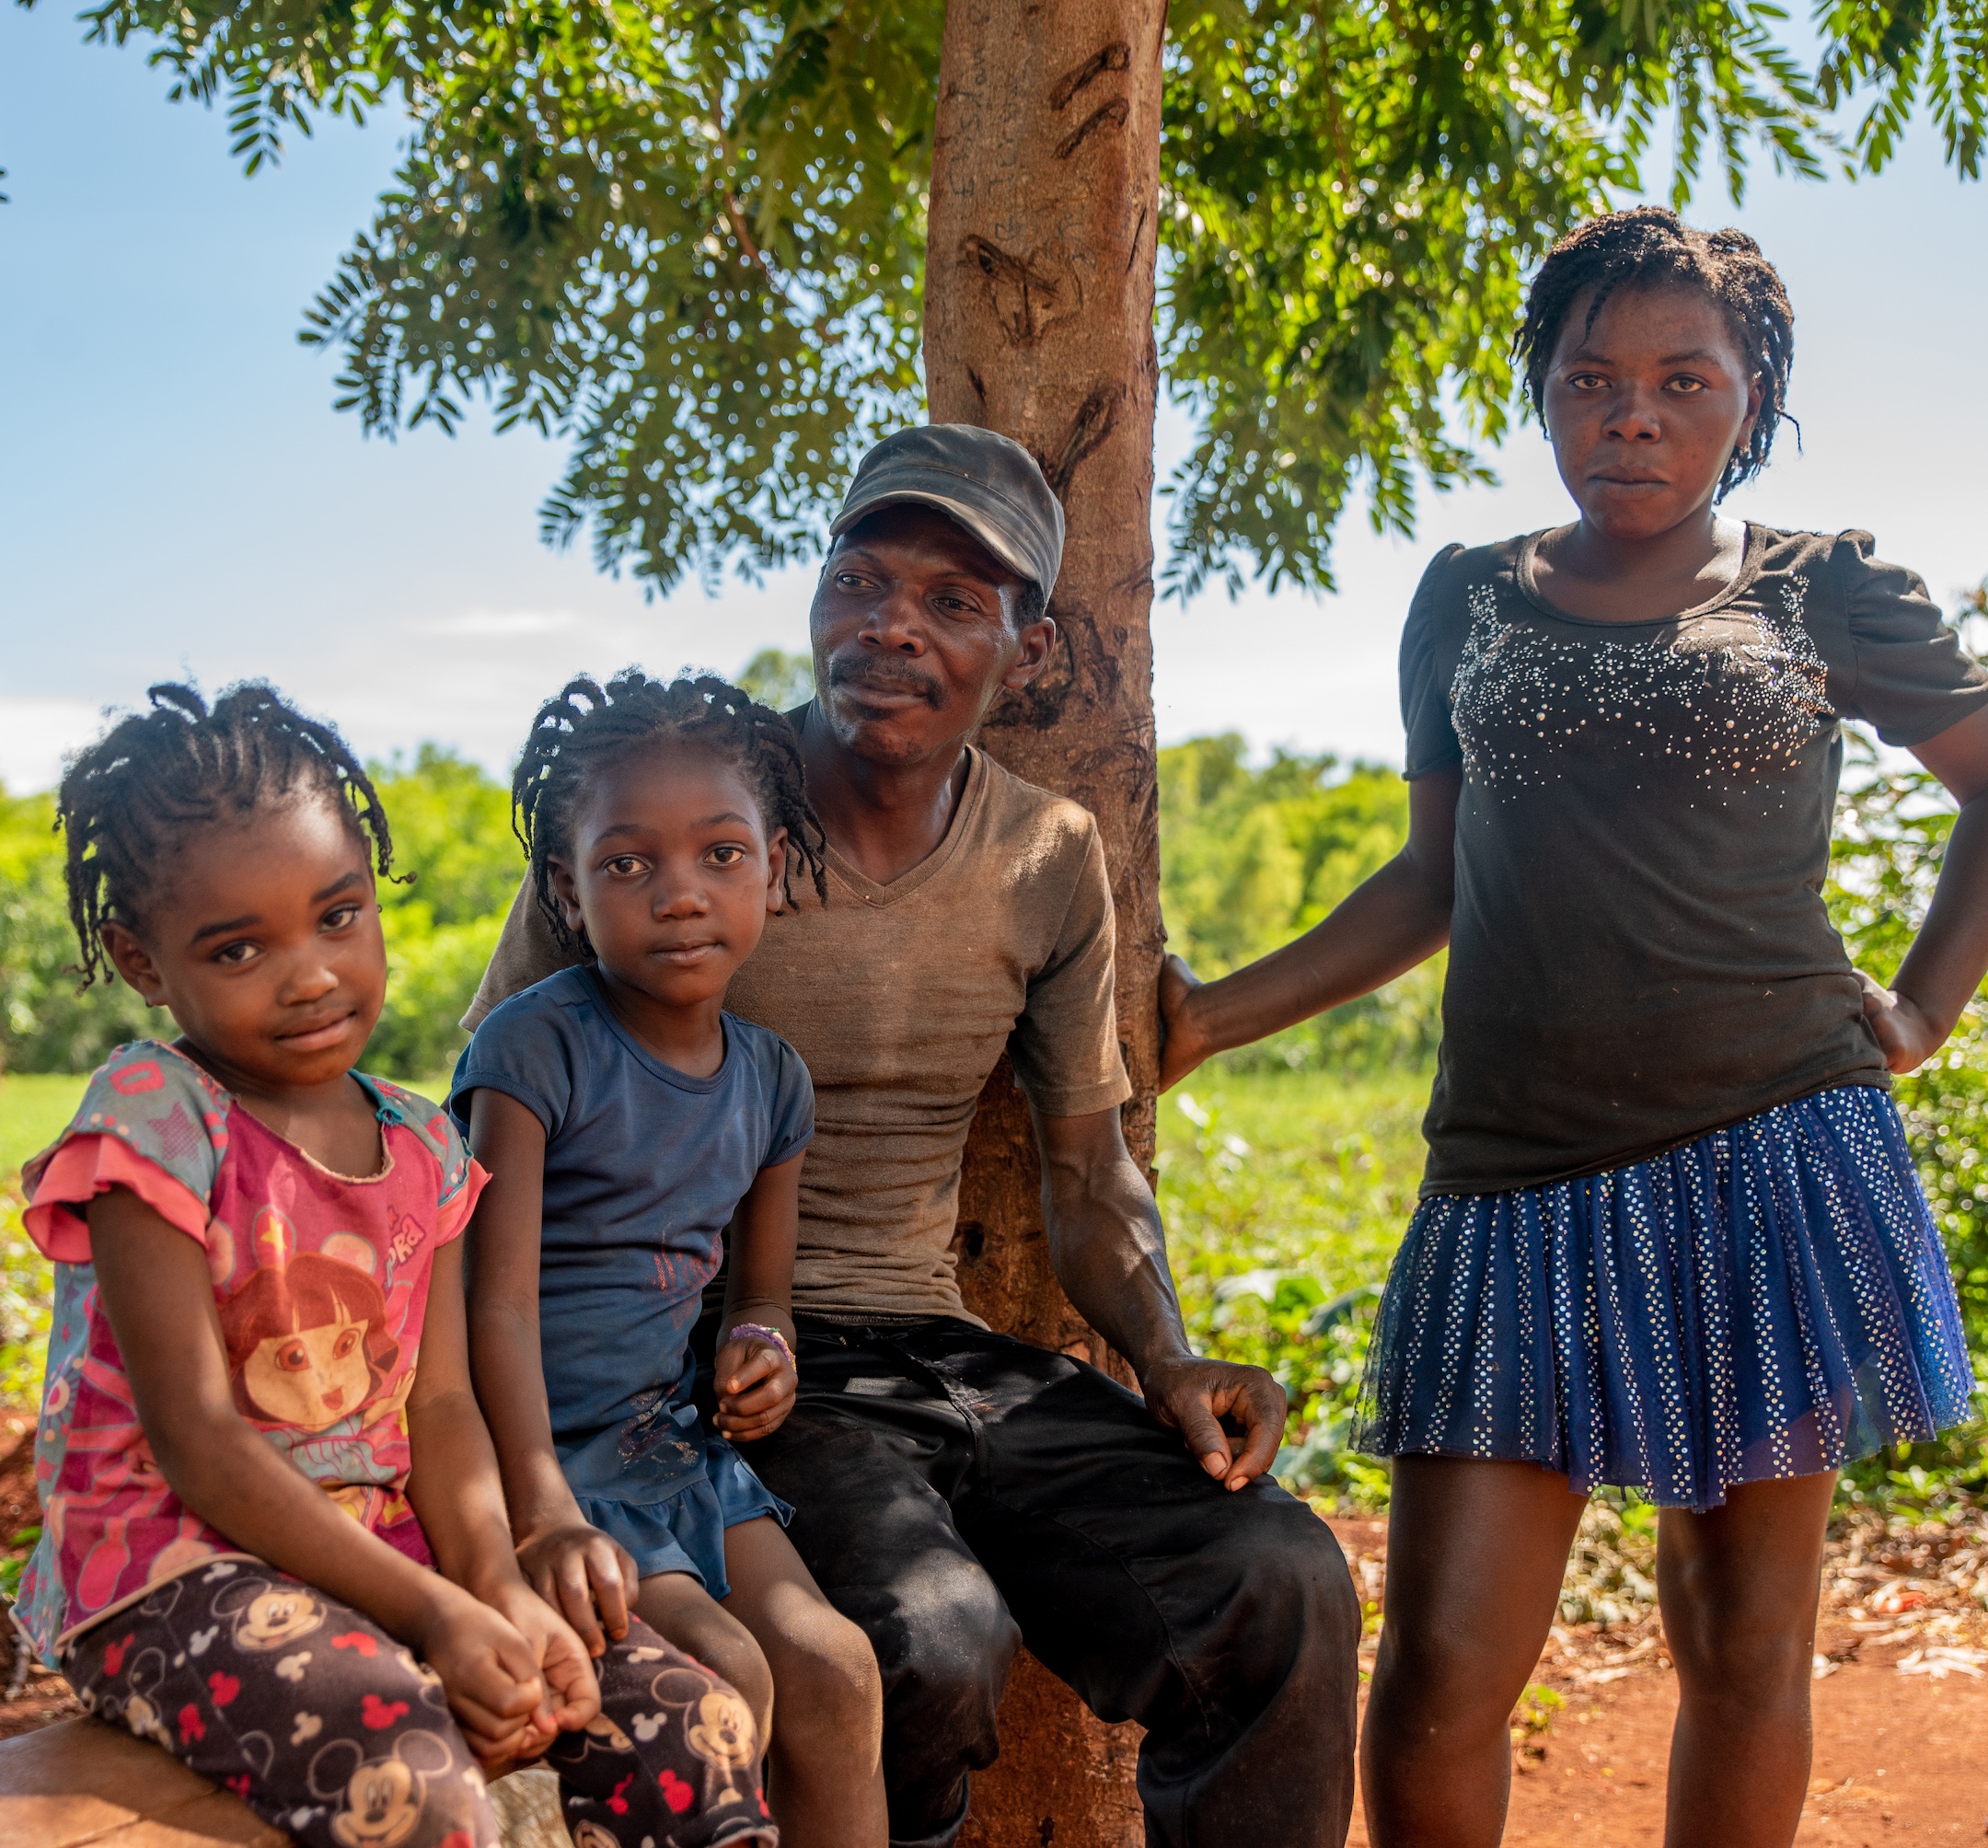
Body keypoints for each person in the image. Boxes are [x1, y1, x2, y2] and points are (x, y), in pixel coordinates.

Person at [1159, 205, 1988, 1847]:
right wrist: (1210, 1018)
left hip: (1773, 1158)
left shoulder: (1822, 591)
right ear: (1543, 393)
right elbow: (1427, 877)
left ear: (1746, 401)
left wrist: (1922, 1005)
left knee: (1736, 1639)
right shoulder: (1467, 599)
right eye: (1589, 379)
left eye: (1679, 379)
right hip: (1510, 1181)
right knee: (1434, 1675)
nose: (1628, 414)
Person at [464, 426, 1361, 1848]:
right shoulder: (687, 819)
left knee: (1281, 1578)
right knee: (922, 1647)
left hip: (948, 1357)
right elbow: (483, 1132)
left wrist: (1169, 1355)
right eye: (861, 578)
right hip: (738, 1373)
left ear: (1030, 646)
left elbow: (1090, 1168)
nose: (891, 623)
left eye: (954, 601)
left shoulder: (1050, 858)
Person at [13, 681, 775, 1848]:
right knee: (413, 1773)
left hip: (394, 1553)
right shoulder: (154, 1119)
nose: (309, 972)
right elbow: (199, 1440)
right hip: (173, 1577)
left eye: (336, 916)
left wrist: (503, 1585)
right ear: (140, 959)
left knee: (688, 1721)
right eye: (237, 946)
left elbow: (442, 1405)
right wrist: (439, 1613)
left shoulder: (424, 1143)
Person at [448, 671, 886, 1848]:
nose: (679, 894)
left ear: (777, 868)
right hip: (530, 1456)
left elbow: (759, 1296)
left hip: (668, 1447)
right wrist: (537, 1504)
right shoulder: (532, 1050)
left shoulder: (770, 1082)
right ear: (566, 889)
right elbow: (486, 1304)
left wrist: (762, 1346)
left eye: (720, 855)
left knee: (838, 1670)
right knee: (731, 1676)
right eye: (628, 864)